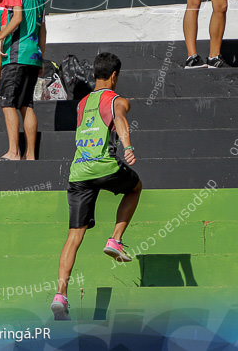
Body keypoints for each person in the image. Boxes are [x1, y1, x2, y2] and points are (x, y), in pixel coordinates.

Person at [51, 52, 140, 321]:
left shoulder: (81, 104)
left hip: (79, 172)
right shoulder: (116, 100)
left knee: (73, 237)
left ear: (93, 75)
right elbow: (121, 120)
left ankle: (60, 294)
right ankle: (115, 239)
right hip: (104, 166)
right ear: (114, 76)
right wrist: (129, 147)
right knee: (135, 188)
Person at [0, 0, 46, 161]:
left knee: (8, 103)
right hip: (34, 54)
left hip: (17, 53)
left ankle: (14, 152)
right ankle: (30, 155)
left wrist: (0, 38)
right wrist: (41, 56)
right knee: (26, 104)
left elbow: (16, 19)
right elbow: (43, 29)